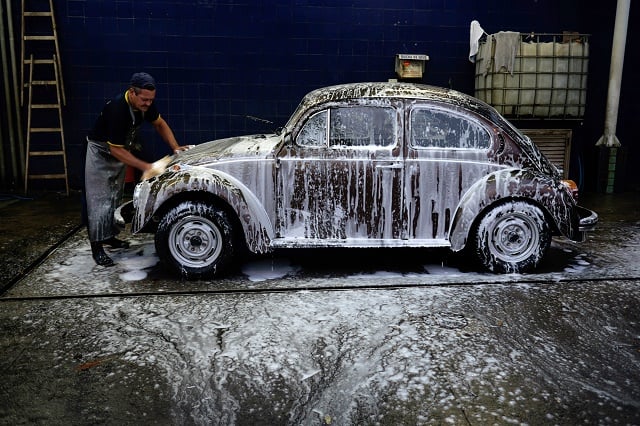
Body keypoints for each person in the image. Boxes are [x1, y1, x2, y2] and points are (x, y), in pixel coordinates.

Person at [84, 72, 189, 267]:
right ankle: (97, 248)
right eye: (144, 99)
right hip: (101, 152)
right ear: (132, 92)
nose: (148, 104)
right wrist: (146, 167)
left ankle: (109, 237)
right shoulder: (118, 109)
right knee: (99, 199)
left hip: (120, 150)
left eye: (151, 100)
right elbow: (114, 149)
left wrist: (175, 147)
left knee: (114, 196)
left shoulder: (144, 105)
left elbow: (160, 123)